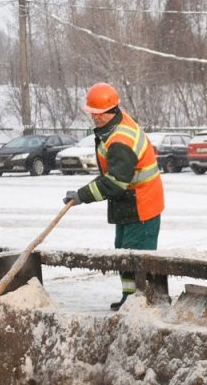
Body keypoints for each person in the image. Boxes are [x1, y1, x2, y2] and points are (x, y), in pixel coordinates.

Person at [64, 82, 165, 310]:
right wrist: (83, 191)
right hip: (127, 202)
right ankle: (130, 297)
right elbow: (113, 176)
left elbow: (116, 183)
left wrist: (83, 195)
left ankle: (147, 301)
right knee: (123, 252)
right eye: (93, 113)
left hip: (142, 204)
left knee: (138, 256)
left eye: (99, 114)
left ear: (111, 110)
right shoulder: (113, 126)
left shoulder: (121, 139)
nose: (95, 118)